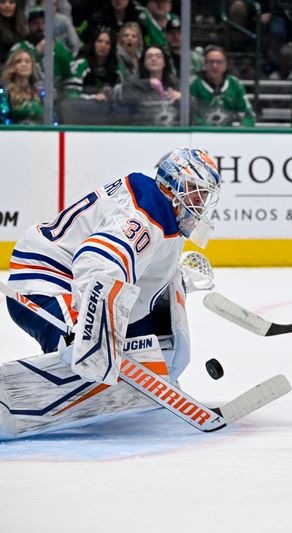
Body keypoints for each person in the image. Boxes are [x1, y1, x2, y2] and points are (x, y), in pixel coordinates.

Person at [1, 148, 221, 439]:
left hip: (73, 280)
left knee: (152, 326)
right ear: (174, 184)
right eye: (196, 192)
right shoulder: (144, 216)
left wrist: (176, 276)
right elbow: (97, 261)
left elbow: (139, 264)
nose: (201, 202)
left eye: (204, 195)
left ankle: (148, 374)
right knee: (80, 353)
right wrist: (92, 327)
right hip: (46, 283)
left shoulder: (162, 210)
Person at [190, 45, 255, 127]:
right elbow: (191, 115)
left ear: (225, 65)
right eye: (211, 62)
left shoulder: (234, 84)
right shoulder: (194, 84)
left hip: (227, 136)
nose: (215, 66)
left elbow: (249, 115)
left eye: (219, 62)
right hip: (201, 135)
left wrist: (242, 130)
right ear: (205, 64)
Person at [117, 44, 180, 126]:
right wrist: (146, 83)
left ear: (164, 62)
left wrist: (182, 97)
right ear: (144, 62)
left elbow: (194, 109)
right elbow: (123, 97)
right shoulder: (133, 82)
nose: (154, 59)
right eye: (149, 56)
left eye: (158, 56)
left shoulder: (174, 83)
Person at [0, 48, 44, 124]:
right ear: (12, 67)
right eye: (18, 61)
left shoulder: (40, 92)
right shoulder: (5, 93)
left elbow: (51, 119)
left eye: (27, 61)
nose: (24, 64)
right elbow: (3, 119)